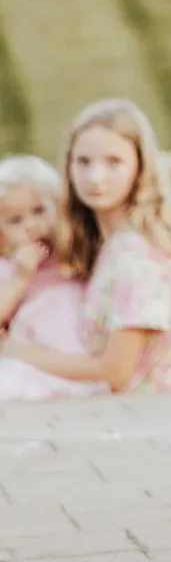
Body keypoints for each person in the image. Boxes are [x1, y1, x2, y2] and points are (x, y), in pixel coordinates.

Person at [0, 102, 171, 396]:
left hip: (142, 414)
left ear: (140, 167)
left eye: (114, 162)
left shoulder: (139, 254)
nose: (95, 177)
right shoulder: (107, 246)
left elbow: (116, 374)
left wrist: (17, 351)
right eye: (83, 162)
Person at [0, 155, 95, 402]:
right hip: (29, 360)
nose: (31, 225)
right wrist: (21, 279)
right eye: (16, 220)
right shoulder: (9, 268)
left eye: (39, 211)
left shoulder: (70, 257)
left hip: (75, 358)